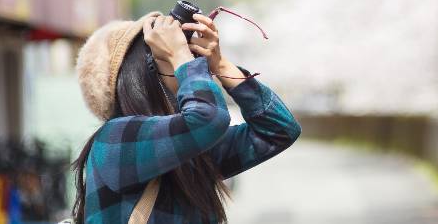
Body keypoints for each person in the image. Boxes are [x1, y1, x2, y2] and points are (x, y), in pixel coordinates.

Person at [70, 11, 301, 223]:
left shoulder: (189, 150)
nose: (188, 59)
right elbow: (209, 118)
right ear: (140, 74)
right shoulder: (115, 140)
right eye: (165, 53)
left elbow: (279, 129)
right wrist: (179, 55)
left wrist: (220, 64)